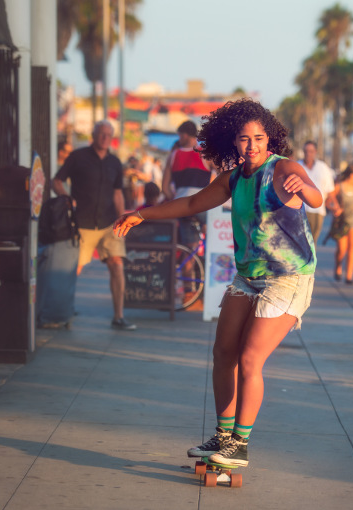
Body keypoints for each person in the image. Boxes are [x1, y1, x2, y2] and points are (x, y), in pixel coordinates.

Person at [113, 99, 321, 467]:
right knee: (223, 353)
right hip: (249, 275)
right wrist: (141, 215)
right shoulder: (232, 178)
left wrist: (303, 189)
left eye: (258, 138)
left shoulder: (284, 167)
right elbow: (191, 204)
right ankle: (223, 436)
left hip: (289, 278)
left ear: (269, 138)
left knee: (250, 357)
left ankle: (239, 445)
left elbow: (317, 197)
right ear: (233, 142)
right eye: (244, 139)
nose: (252, 145)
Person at [52, 120, 136, 331]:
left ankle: (118, 316)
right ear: (93, 135)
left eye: (109, 134)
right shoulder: (78, 157)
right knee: (74, 268)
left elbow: (117, 193)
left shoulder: (115, 163)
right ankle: (63, 312)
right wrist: (67, 199)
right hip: (83, 223)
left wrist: (122, 219)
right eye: (101, 133)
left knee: (117, 264)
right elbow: (57, 181)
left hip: (110, 223)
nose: (105, 137)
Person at [163, 120, 214, 306]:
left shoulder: (173, 156)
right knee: (217, 241)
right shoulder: (205, 153)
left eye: (180, 134)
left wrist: (176, 198)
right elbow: (224, 175)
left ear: (186, 134)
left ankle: (188, 294)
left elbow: (165, 188)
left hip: (182, 208)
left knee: (189, 249)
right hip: (202, 205)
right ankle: (211, 283)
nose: (179, 137)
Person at [325, 163, 353, 285]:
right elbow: (328, 200)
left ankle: (349, 276)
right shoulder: (339, 186)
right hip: (341, 222)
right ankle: (338, 266)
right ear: (352, 175)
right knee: (342, 249)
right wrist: (335, 209)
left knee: (352, 248)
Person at [298, 140, 335, 243]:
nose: (308, 153)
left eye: (311, 151)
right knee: (301, 240)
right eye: (306, 151)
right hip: (300, 210)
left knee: (312, 241)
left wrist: (334, 205)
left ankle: (310, 259)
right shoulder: (297, 166)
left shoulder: (322, 167)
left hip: (318, 210)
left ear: (315, 152)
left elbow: (330, 190)